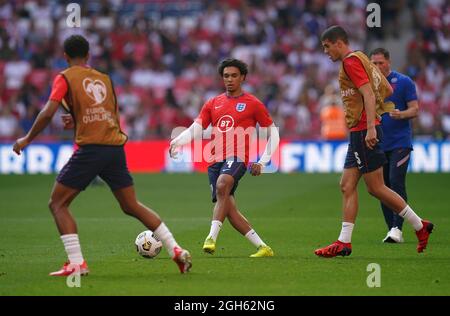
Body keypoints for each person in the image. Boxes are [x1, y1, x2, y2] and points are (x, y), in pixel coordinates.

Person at [12, 35, 191, 275]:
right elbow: (107, 116)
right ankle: (176, 250)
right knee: (130, 205)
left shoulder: (65, 77)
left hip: (92, 149)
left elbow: (47, 112)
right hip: (115, 148)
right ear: (88, 56)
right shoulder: (104, 79)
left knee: (57, 203)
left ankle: (76, 264)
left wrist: (27, 138)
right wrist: (76, 119)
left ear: (65, 56)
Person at [314, 25, 433, 258]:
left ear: (339, 43)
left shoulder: (350, 61)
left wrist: (370, 127)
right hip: (358, 132)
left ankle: (420, 226)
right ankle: (344, 243)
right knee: (347, 185)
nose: (326, 52)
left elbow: (369, 93)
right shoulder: (361, 58)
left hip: (362, 131)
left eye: (327, 47)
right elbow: (386, 90)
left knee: (376, 187)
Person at [169, 58, 280, 258]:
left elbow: (274, 133)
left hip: (237, 157)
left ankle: (211, 238)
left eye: (234, 76)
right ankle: (263, 247)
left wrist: (262, 161)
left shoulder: (253, 104)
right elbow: (197, 128)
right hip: (214, 160)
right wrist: (177, 140)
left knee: (222, 185)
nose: (230, 79)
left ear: (243, 77)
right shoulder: (213, 103)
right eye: (226, 76)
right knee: (228, 207)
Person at [370, 47, 419, 243]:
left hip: (400, 142)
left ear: (388, 62)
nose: (377, 66)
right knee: (381, 187)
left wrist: (402, 114)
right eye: (373, 63)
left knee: (396, 181)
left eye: (380, 62)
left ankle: (398, 228)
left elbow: (415, 109)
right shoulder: (369, 86)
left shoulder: (404, 82)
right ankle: (391, 228)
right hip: (379, 144)